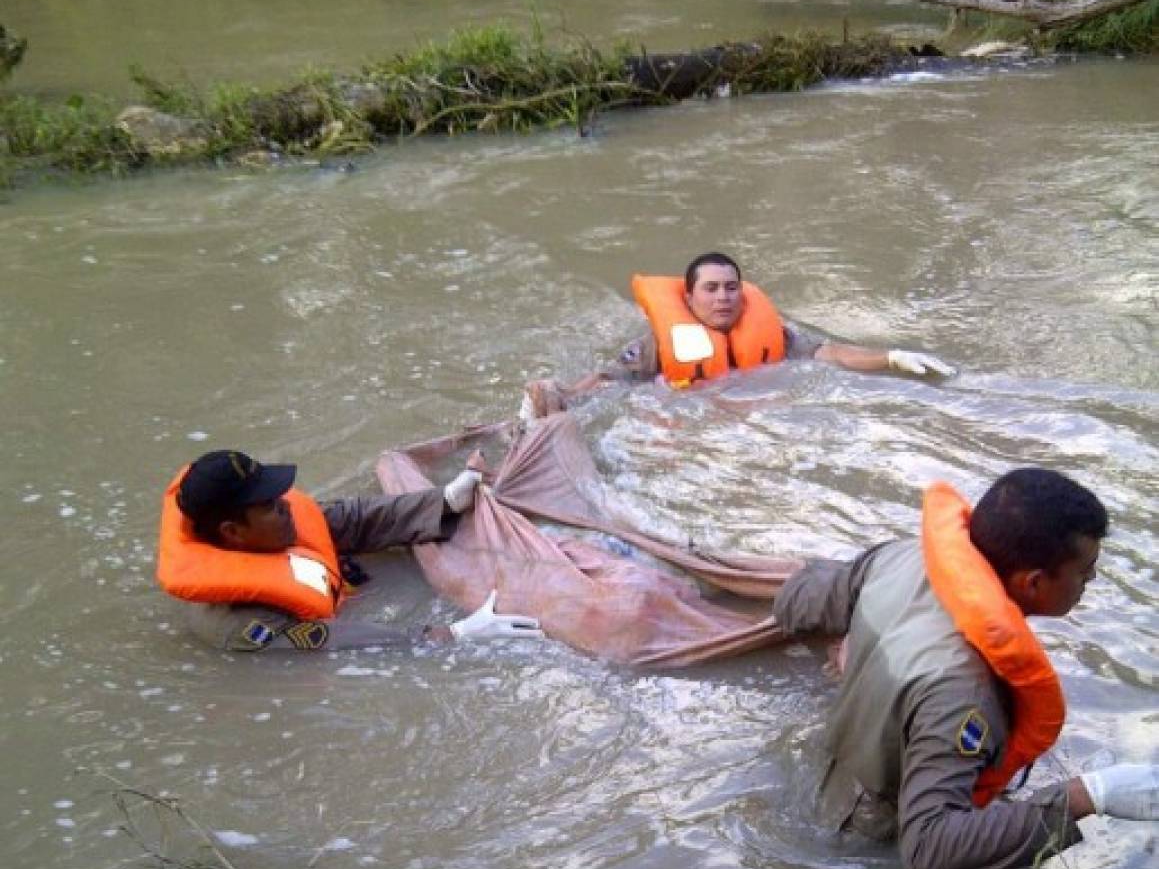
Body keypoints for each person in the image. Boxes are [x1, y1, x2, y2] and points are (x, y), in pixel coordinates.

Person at [771, 467, 1158, 869]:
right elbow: (928, 850)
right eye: (1084, 571)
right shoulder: (966, 692)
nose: (1092, 580)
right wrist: (1088, 795)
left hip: (818, 777)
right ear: (1033, 583)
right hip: (860, 842)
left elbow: (793, 603)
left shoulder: (899, 557)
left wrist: (859, 648)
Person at [156, 449, 543, 651]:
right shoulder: (241, 626)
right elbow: (338, 642)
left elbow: (353, 519)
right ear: (233, 532)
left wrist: (444, 501)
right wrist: (454, 634)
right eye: (272, 506)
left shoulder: (265, 528)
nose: (288, 505)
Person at [520, 251, 955, 417]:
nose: (724, 297)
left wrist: (892, 358)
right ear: (689, 299)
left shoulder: (774, 334)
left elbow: (831, 353)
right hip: (679, 419)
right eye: (711, 289)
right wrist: (561, 396)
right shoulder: (656, 345)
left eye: (731, 288)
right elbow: (607, 381)